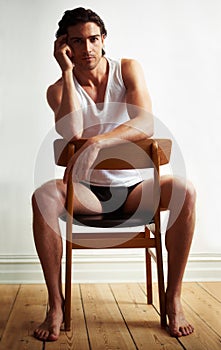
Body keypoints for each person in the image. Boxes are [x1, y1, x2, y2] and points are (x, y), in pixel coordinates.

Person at [32, 7, 196, 341]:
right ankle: (55, 306)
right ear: (65, 45)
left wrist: (98, 143)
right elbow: (73, 131)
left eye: (93, 39)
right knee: (43, 196)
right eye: (77, 42)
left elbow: (145, 122)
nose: (87, 48)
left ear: (103, 39)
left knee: (186, 190)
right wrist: (66, 71)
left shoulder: (128, 70)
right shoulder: (57, 90)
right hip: (88, 194)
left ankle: (173, 299)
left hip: (137, 190)